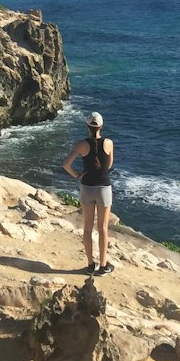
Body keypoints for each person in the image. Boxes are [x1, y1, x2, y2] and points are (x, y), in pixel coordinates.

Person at [62, 110, 115, 275]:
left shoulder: (81, 145)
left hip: (87, 188)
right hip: (104, 189)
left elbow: (66, 164)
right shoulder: (109, 143)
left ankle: (90, 265)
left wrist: (78, 175)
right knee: (103, 228)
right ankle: (103, 265)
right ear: (101, 126)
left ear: (87, 126)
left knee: (87, 228)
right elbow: (109, 165)